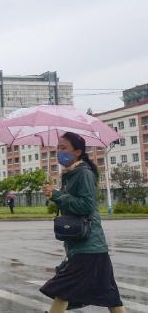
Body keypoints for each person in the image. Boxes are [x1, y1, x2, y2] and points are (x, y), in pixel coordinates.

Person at [39, 132, 125, 313]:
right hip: (86, 244)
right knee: (108, 292)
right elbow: (72, 202)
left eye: (63, 148)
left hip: (88, 244)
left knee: (65, 288)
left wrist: (56, 194)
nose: (59, 152)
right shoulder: (71, 174)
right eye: (58, 148)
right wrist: (55, 194)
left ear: (77, 152)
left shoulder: (83, 173)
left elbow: (86, 205)